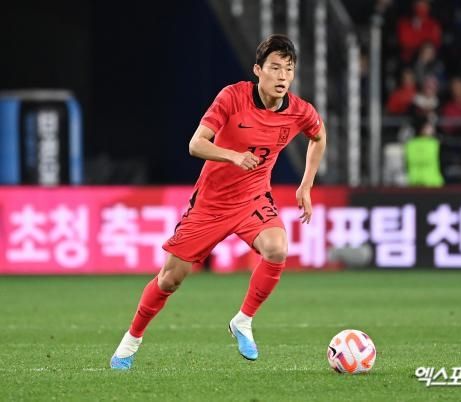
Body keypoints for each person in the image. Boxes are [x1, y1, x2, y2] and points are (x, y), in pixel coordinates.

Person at [110, 34, 326, 369]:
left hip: (253, 198)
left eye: (289, 69)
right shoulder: (233, 96)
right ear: (258, 70)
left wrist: (306, 185)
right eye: (275, 68)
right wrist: (233, 155)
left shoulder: (299, 111)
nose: (282, 76)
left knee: (277, 249)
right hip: (211, 203)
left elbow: (318, 136)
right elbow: (195, 144)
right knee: (170, 279)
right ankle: (130, 341)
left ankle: (243, 320)